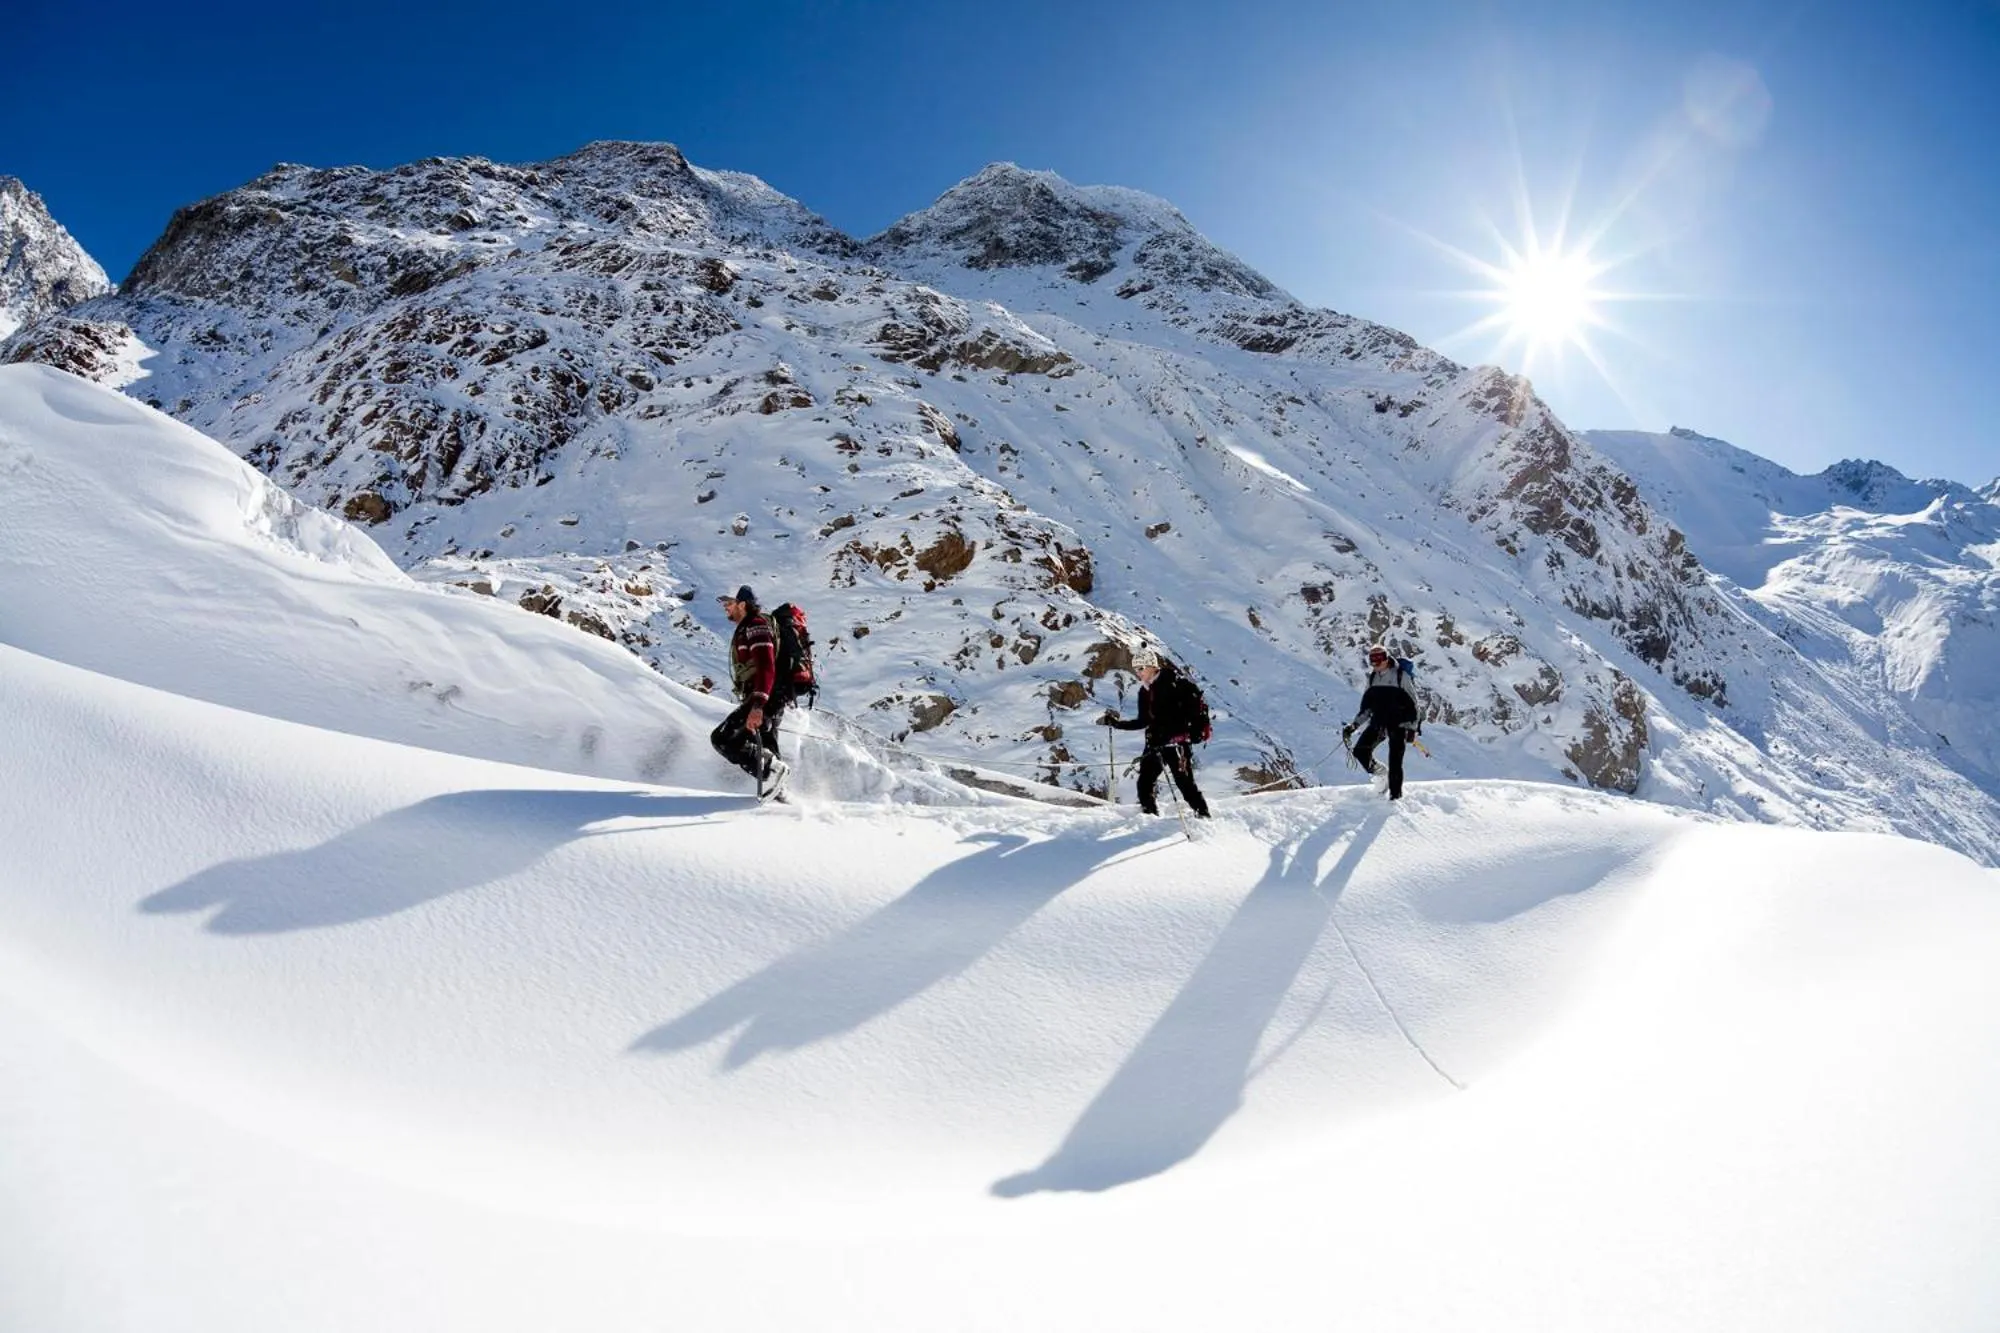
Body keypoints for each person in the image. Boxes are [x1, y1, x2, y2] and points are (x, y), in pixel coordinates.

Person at [1101, 649, 1211, 818]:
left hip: (1176, 744)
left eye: (1141, 668)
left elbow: (1189, 712)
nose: (1138, 673)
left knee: (1184, 783)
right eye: (1135, 669)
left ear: (1153, 666)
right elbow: (1143, 721)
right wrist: (1116, 724)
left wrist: (1187, 733)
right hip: (1155, 744)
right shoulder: (1144, 691)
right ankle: (1150, 819)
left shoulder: (1174, 683)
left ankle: (1203, 815)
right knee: (1144, 782)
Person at [710, 584, 791, 799]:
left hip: (766, 697)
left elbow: (766, 665)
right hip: (770, 696)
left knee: (722, 738)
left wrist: (757, 706)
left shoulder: (755, 626)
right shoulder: (750, 627)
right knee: (765, 743)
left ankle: (774, 769)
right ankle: (780, 797)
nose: (725, 608)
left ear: (743, 604)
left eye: (729, 603)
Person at [1343, 643, 1420, 800]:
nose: (1376, 662)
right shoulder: (1372, 679)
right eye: (1373, 659)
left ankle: (1395, 797)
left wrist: (1412, 729)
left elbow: (1414, 703)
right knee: (1360, 751)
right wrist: (1354, 725)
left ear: (1386, 658)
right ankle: (1381, 774)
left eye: (1379, 658)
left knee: (1395, 762)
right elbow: (1367, 707)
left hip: (1399, 724)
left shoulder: (1400, 676)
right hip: (1378, 723)